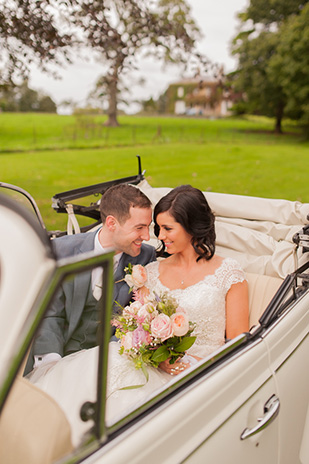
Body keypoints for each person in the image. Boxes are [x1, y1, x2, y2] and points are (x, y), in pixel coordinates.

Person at [27, 185, 249, 447]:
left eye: (166, 228)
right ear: (111, 222)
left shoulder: (226, 272)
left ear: (192, 226)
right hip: (134, 359)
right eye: (151, 228)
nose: (153, 237)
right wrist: (157, 355)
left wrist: (179, 359)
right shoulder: (151, 269)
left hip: (199, 366)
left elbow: (239, 345)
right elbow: (136, 322)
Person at [24, 183, 156, 375]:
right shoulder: (61, 251)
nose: (146, 236)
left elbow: (139, 319)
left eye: (148, 226)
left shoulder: (145, 257)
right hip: (56, 358)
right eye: (139, 227)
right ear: (111, 223)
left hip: (106, 365)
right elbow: (48, 312)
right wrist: (50, 363)